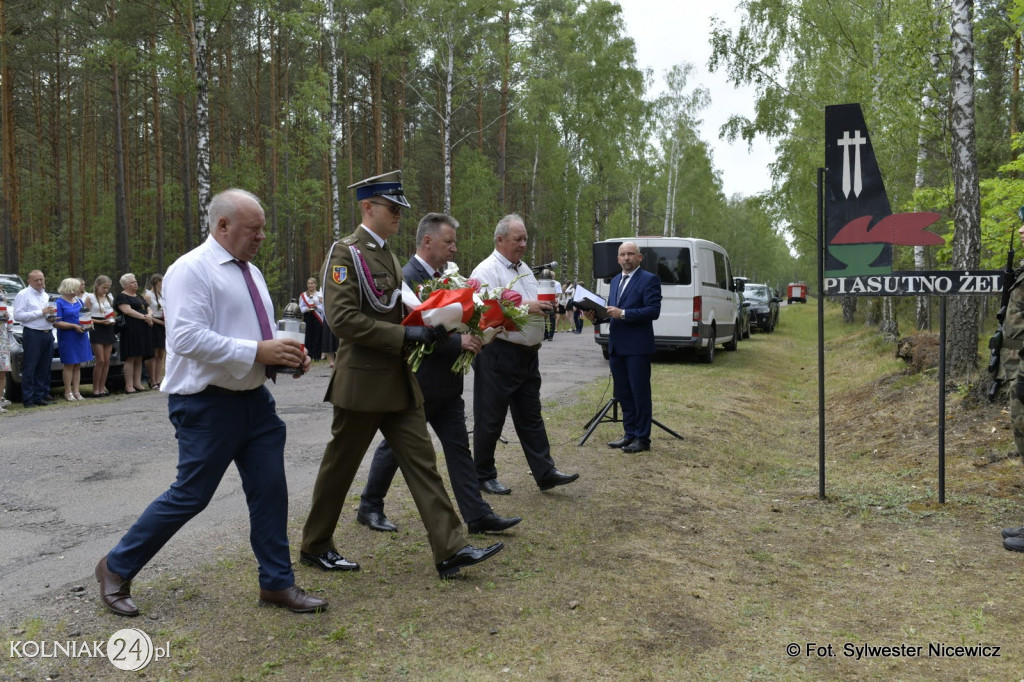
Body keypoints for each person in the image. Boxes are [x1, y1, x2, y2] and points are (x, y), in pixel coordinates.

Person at [95, 188, 326, 617]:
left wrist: (287, 355)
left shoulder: (250, 272)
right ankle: (115, 566)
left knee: (270, 490)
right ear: (222, 225)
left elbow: (251, 332)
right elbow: (184, 338)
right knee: (191, 495)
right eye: (253, 229)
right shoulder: (190, 269)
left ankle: (276, 583)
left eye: (262, 229)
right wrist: (259, 351)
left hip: (255, 402)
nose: (260, 237)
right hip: (204, 405)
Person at [301, 171, 503, 579]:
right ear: (367, 208)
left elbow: (402, 308)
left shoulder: (389, 256)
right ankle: (315, 545)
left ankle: (451, 549)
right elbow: (342, 320)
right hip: (361, 383)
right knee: (340, 467)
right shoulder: (346, 254)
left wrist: (442, 319)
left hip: (398, 381)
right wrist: (405, 332)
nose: (398, 216)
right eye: (392, 209)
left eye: (400, 209)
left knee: (423, 462)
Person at [357, 213, 522, 535]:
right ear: (428, 241)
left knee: (459, 448)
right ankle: (369, 505)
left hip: (448, 382)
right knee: (394, 448)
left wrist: (481, 331)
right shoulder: (406, 277)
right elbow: (413, 329)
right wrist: (458, 340)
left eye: (455, 243)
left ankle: (477, 515)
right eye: (449, 242)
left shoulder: (450, 277)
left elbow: (459, 317)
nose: (454, 249)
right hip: (419, 381)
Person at [469, 214, 580, 496]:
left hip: (528, 355)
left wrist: (546, 305)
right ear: (500, 239)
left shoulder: (525, 269)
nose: (523, 244)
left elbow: (534, 301)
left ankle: (545, 472)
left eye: (525, 239)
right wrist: (526, 308)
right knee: (490, 417)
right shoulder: (486, 270)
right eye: (517, 239)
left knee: (531, 416)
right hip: (499, 352)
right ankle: (483, 474)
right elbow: (483, 312)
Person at [585, 241, 662, 453]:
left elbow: (653, 311)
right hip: (617, 346)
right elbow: (612, 313)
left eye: (630, 254)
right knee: (624, 394)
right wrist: (594, 316)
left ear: (639, 257)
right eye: (622, 254)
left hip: (637, 347)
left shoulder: (649, 280)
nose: (626, 258)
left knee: (640, 394)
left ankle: (642, 439)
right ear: (617, 258)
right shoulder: (616, 280)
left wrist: (624, 313)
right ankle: (629, 434)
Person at [12, 270, 57, 408]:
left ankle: (41, 395)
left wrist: (51, 317)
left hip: (47, 332)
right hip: (33, 334)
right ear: (29, 281)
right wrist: (41, 312)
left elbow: (46, 314)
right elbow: (18, 316)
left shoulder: (45, 295)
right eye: (36, 280)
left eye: (41, 279)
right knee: (30, 366)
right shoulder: (23, 294)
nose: (39, 282)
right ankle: (28, 398)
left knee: (44, 366)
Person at [54, 277, 94, 401]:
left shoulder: (79, 301)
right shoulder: (59, 302)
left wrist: (89, 323)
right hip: (68, 336)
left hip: (81, 335)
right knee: (69, 364)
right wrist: (73, 326)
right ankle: (68, 392)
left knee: (78, 364)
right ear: (69, 288)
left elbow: (85, 316)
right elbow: (57, 322)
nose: (78, 290)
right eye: (76, 288)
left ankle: (77, 391)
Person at [115, 273, 154, 394]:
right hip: (130, 329)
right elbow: (127, 310)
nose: (136, 283)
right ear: (126, 285)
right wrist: (144, 317)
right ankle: (129, 385)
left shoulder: (138, 296)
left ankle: (137, 383)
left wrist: (149, 315)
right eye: (132, 282)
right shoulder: (122, 297)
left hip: (142, 329)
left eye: (136, 281)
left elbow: (148, 307)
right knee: (131, 357)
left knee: (139, 357)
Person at [83, 275, 117, 397]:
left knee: (107, 360)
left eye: (107, 288)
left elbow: (111, 312)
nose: (105, 290)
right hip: (96, 327)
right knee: (100, 360)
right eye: (104, 288)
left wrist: (111, 320)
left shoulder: (109, 298)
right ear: (97, 286)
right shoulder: (90, 298)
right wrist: (100, 322)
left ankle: (102, 388)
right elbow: (85, 316)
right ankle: (95, 389)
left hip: (108, 326)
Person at [144, 273, 166, 389]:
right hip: (153, 323)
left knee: (161, 353)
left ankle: (158, 379)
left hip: (163, 323)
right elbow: (146, 313)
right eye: (162, 282)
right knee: (153, 353)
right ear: (157, 282)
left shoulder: (162, 295)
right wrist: (159, 322)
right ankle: (151, 380)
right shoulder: (148, 295)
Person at [298, 277, 324, 362]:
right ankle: (308, 355)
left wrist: (317, 307)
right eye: (309, 283)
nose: (310, 285)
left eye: (312, 283)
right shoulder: (303, 295)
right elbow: (300, 308)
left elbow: (324, 308)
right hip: (308, 316)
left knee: (317, 335)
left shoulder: (320, 295)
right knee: (308, 336)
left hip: (317, 317)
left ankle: (316, 356)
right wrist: (306, 309)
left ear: (316, 284)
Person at [0, 287, 11, 412]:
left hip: (2, 335)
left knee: (2, 370)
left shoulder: (2, 293)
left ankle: (0, 399)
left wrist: (6, 316)